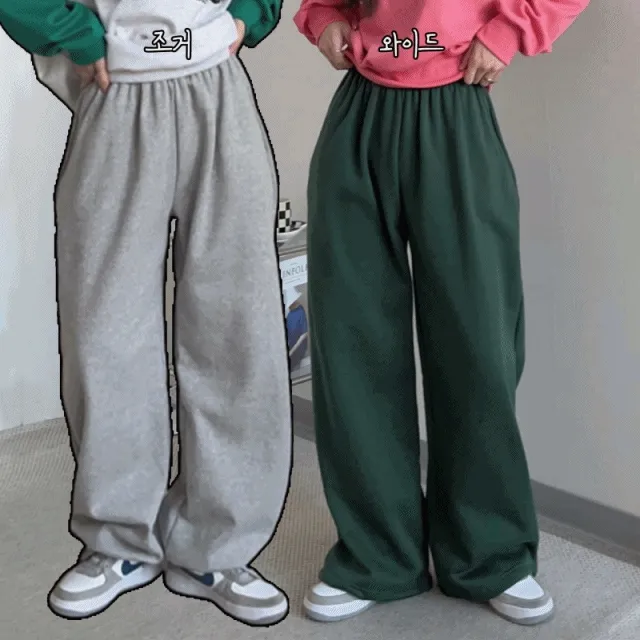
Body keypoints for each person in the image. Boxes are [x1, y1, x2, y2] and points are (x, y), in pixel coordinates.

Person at [293, 0, 590, 626]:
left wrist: (510, 27)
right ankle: (376, 556)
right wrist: (325, 17)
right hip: (360, 113)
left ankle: (490, 555)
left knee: (478, 344)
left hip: (457, 109)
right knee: (352, 343)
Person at [1, 0, 292, 626]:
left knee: (236, 327)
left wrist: (249, 14)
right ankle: (118, 541)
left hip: (218, 85)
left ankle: (218, 547)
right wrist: (74, 35)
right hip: (117, 91)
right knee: (106, 329)